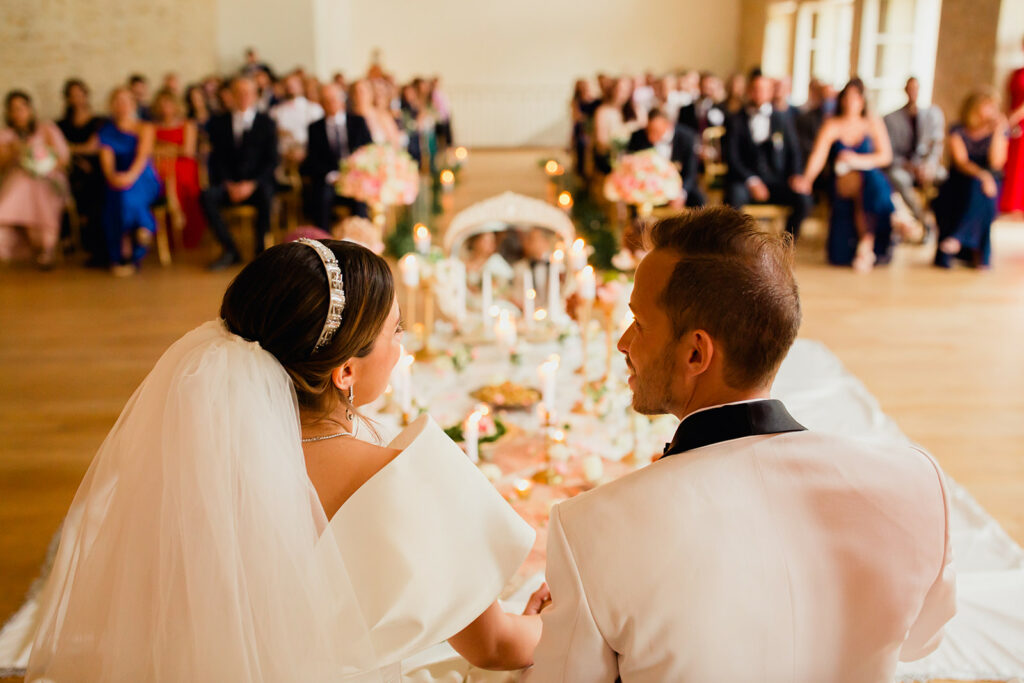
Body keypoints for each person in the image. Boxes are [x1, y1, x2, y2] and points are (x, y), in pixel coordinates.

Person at [25, 239, 548, 680]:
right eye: (395, 330)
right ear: (345, 372)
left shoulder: (196, 461)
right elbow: (498, 647)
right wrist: (552, 619)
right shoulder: (407, 479)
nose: (402, 344)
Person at [524, 207, 956, 682]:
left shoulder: (590, 529)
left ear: (696, 353)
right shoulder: (917, 483)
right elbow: (921, 641)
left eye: (639, 323)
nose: (624, 343)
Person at [795, 78, 895, 272]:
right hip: (841, 180)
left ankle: (865, 244)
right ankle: (894, 216)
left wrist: (855, 160)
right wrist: (807, 179)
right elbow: (819, 155)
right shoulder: (832, 124)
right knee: (870, 184)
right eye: (847, 97)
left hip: (868, 177)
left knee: (869, 181)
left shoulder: (872, 123)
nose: (851, 101)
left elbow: (885, 156)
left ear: (863, 100)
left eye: (856, 97)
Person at [200, 76, 279, 270]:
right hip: (229, 184)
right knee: (206, 197)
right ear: (231, 96)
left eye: (247, 92)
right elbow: (216, 159)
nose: (243, 96)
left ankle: (261, 252)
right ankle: (230, 250)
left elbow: (272, 160)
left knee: (267, 196)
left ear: (254, 95)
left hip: (257, 185)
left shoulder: (266, 122)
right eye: (239, 93)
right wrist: (229, 183)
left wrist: (251, 184)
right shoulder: (219, 123)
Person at [723, 74, 809, 238]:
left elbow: (794, 151)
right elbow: (732, 157)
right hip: (745, 180)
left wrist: (796, 175)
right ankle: (738, 245)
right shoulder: (735, 120)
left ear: (771, 92)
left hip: (777, 180)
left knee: (804, 199)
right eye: (755, 89)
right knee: (734, 196)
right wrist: (752, 180)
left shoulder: (782, 119)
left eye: (764, 89)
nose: (759, 93)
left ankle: (785, 246)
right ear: (749, 91)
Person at [932, 90, 1008, 269]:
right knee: (977, 189)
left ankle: (958, 238)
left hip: (989, 184)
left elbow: (996, 163)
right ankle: (980, 254)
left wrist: (998, 132)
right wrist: (983, 176)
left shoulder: (997, 131)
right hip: (961, 180)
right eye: (988, 106)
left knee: (982, 191)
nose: (992, 111)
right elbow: (961, 162)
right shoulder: (958, 130)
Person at [0, 90, 69, 268]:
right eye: (14, 109)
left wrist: (43, 167)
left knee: (39, 187)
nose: (18, 113)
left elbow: (62, 159)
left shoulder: (47, 129)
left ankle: (46, 246)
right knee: (23, 184)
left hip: (48, 177)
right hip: (18, 181)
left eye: (22, 107)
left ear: (30, 109)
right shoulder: (6, 136)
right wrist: (14, 151)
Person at [98, 87, 162, 275]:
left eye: (126, 101)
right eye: (118, 101)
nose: (122, 105)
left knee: (125, 192)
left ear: (133, 104)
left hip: (143, 177)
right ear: (112, 105)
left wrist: (129, 177)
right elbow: (107, 160)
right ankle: (144, 227)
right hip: (117, 179)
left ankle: (125, 250)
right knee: (118, 192)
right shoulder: (106, 131)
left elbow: (143, 156)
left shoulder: (145, 127)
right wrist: (112, 176)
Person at [301, 83, 372, 231]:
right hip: (329, 180)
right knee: (321, 197)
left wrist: (353, 174)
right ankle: (324, 243)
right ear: (321, 104)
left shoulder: (358, 122)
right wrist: (332, 175)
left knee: (360, 200)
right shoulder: (315, 128)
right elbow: (312, 160)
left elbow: (368, 151)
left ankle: (361, 243)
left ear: (341, 101)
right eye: (326, 101)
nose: (330, 104)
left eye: (333, 100)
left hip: (355, 179)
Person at [884, 77, 945, 238]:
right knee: (898, 179)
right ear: (905, 90)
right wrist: (909, 166)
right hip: (902, 166)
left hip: (926, 165)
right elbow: (888, 152)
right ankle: (924, 220)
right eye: (910, 88)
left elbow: (936, 144)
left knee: (945, 178)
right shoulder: (890, 118)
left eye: (916, 88)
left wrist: (928, 165)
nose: (913, 92)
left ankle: (941, 222)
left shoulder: (932, 114)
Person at [58, 78, 108, 266]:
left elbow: (93, 148)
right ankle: (71, 237)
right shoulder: (61, 125)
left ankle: (92, 240)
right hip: (71, 170)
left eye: (80, 94)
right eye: (73, 95)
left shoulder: (99, 121)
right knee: (63, 185)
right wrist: (75, 154)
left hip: (96, 170)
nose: (77, 98)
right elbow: (57, 150)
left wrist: (70, 148)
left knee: (94, 184)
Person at [151, 89, 207, 249]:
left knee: (177, 175)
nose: (165, 107)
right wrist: (171, 150)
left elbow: (187, 151)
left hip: (183, 164)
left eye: (168, 103)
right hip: (161, 165)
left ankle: (177, 212)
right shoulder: (153, 127)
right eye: (161, 104)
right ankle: (173, 213)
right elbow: (150, 150)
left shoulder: (187, 124)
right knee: (164, 172)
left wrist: (163, 149)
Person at [626, 109, 705, 207]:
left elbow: (691, 172)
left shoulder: (687, 137)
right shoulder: (638, 137)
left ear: (668, 125)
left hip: (680, 186)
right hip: (647, 191)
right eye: (648, 131)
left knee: (699, 200)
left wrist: (681, 194)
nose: (650, 136)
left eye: (655, 131)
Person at [271, 72, 324, 162]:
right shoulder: (275, 111)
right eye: (287, 85)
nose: (290, 87)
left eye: (294, 84)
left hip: (309, 155)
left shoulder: (314, 109)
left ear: (302, 86)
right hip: (283, 156)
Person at [593, 77, 643, 174]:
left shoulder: (637, 110)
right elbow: (601, 141)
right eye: (619, 90)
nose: (622, 94)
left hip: (634, 160)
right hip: (610, 160)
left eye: (626, 90)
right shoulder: (603, 111)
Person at [999, 36, 1024, 215]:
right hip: (1011, 121)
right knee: (1009, 161)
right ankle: (1007, 203)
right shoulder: (1016, 73)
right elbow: (1009, 99)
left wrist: (1013, 118)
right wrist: (1006, 119)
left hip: (1021, 120)